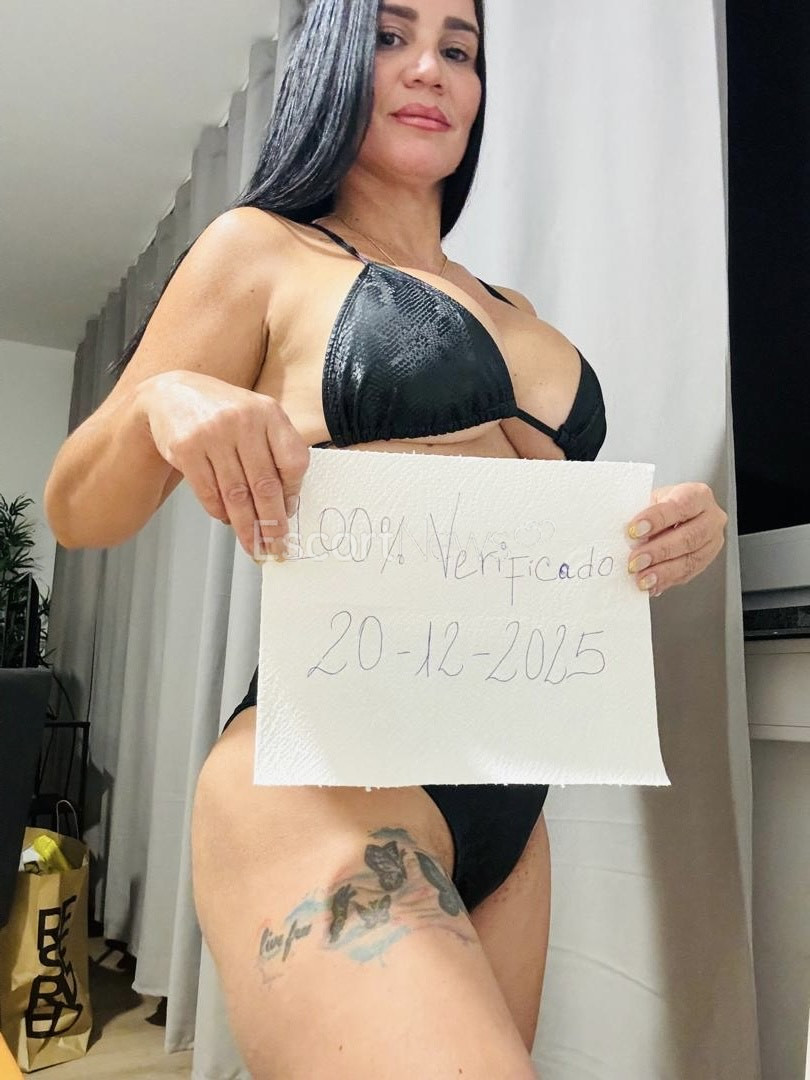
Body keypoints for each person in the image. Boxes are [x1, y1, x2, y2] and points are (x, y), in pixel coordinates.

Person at [44, 0, 728, 1075]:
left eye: (459, 49)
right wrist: (164, 401)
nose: (430, 69)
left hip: (512, 802)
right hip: (328, 776)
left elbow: (548, 543)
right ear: (331, 62)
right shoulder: (260, 248)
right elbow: (78, 511)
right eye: (391, 37)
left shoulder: (514, 304)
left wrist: (675, 534)